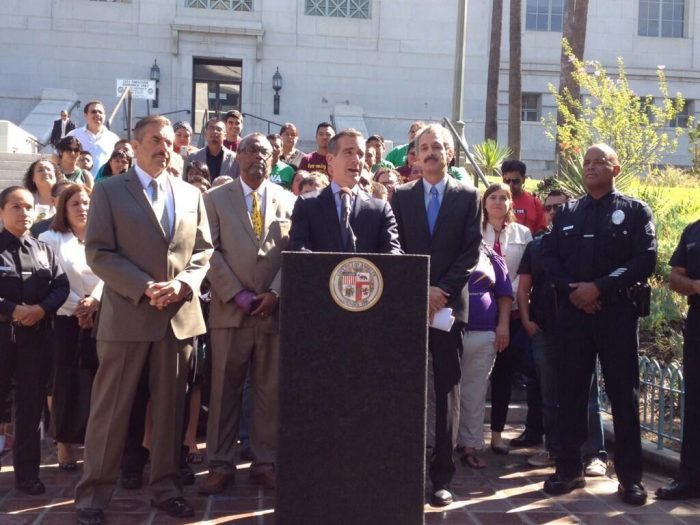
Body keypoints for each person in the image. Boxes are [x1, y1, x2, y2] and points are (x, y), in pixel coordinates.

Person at [74, 115, 213, 525]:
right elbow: (98, 252)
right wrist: (145, 286)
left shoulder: (190, 193)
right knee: (110, 409)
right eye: (154, 139)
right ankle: (93, 497)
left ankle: (166, 488)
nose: (163, 147)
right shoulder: (109, 191)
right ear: (135, 146)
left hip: (177, 318)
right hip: (128, 316)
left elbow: (203, 251)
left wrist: (185, 285)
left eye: (169, 141)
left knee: (170, 412)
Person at [541, 144, 656, 505]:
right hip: (574, 314)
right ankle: (569, 468)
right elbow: (548, 256)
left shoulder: (634, 211)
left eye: (599, 162)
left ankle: (631, 478)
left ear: (615, 168)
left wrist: (600, 288)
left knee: (624, 396)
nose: (590, 167)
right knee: (570, 394)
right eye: (586, 162)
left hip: (617, 314)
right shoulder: (568, 211)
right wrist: (574, 290)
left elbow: (645, 260)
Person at [390, 123, 482, 507]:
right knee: (405, 390)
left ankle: (442, 476)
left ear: (450, 154)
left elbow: (471, 250)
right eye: (423, 147)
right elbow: (393, 247)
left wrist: (440, 291)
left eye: (437, 147)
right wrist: (420, 289)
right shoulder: (401, 196)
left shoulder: (468, 196)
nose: (430, 153)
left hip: (448, 309)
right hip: (410, 307)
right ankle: (403, 472)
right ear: (414, 155)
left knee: (446, 391)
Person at [200, 133, 296, 495]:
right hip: (230, 310)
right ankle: (220, 464)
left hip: (272, 312)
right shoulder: (213, 199)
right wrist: (235, 292)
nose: (260, 157)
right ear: (237, 155)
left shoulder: (289, 201)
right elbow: (206, 249)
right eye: (253, 150)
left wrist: (275, 293)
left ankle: (265, 462)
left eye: (267, 153)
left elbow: (295, 252)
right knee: (224, 389)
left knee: (269, 392)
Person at [517, 190, 609, 472]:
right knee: (550, 393)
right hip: (544, 328)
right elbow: (524, 286)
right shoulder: (535, 246)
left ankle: (594, 454)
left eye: (559, 207)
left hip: (580, 327)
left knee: (588, 395)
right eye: (548, 208)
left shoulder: (584, 243)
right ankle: (554, 449)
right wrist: (527, 321)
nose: (553, 212)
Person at [0, 186, 70, 494]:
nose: (24, 212)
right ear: (2, 211)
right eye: (16, 206)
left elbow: (61, 286)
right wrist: (13, 309)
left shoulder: (44, 250)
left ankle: (27, 475)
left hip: (36, 341)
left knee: (29, 410)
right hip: (2, 336)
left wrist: (40, 310)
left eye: (29, 207)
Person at [39, 184, 102, 471]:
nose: (82, 208)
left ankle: (94, 439)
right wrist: (80, 306)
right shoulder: (49, 238)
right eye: (75, 203)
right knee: (62, 381)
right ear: (63, 207)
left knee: (96, 380)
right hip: (64, 319)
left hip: (101, 316)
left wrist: (94, 302)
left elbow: (112, 271)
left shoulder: (104, 234)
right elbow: (51, 280)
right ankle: (63, 442)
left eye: (87, 202)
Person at [289, 128, 402, 254]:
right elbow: (298, 251)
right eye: (348, 153)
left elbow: (393, 254)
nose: (356, 160)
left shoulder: (380, 209)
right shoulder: (307, 205)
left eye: (360, 154)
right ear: (330, 159)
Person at [481, 183, 533, 454]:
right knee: (475, 376)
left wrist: (505, 294)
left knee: (503, 374)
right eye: (493, 197)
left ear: (511, 203)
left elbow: (525, 274)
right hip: (479, 311)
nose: (498, 202)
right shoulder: (474, 232)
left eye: (504, 198)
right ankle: (467, 434)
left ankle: (497, 434)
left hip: (511, 313)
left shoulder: (523, 233)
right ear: (484, 202)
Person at [457, 242, 512, 469]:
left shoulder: (491, 255)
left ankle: (469, 447)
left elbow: (505, 295)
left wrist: (503, 326)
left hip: (483, 333)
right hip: (447, 331)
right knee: (437, 393)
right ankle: (434, 446)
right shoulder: (444, 246)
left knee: (475, 392)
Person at [656, 219, 700, 500]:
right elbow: (675, 279)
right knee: (695, 401)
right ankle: (690, 479)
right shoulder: (693, 230)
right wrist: (695, 285)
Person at [67, 101, 120, 173]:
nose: (97, 114)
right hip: (79, 182)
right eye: (93, 112)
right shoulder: (73, 135)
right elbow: (57, 156)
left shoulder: (113, 139)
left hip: (104, 182)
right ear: (85, 115)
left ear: (104, 115)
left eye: (100, 112)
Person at [501, 159, 547, 235]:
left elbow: (541, 231)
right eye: (507, 181)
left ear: (523, 180)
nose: (511, 184)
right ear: (502, 178)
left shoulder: (535, 203)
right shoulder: (494, 201)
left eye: (515, 181)